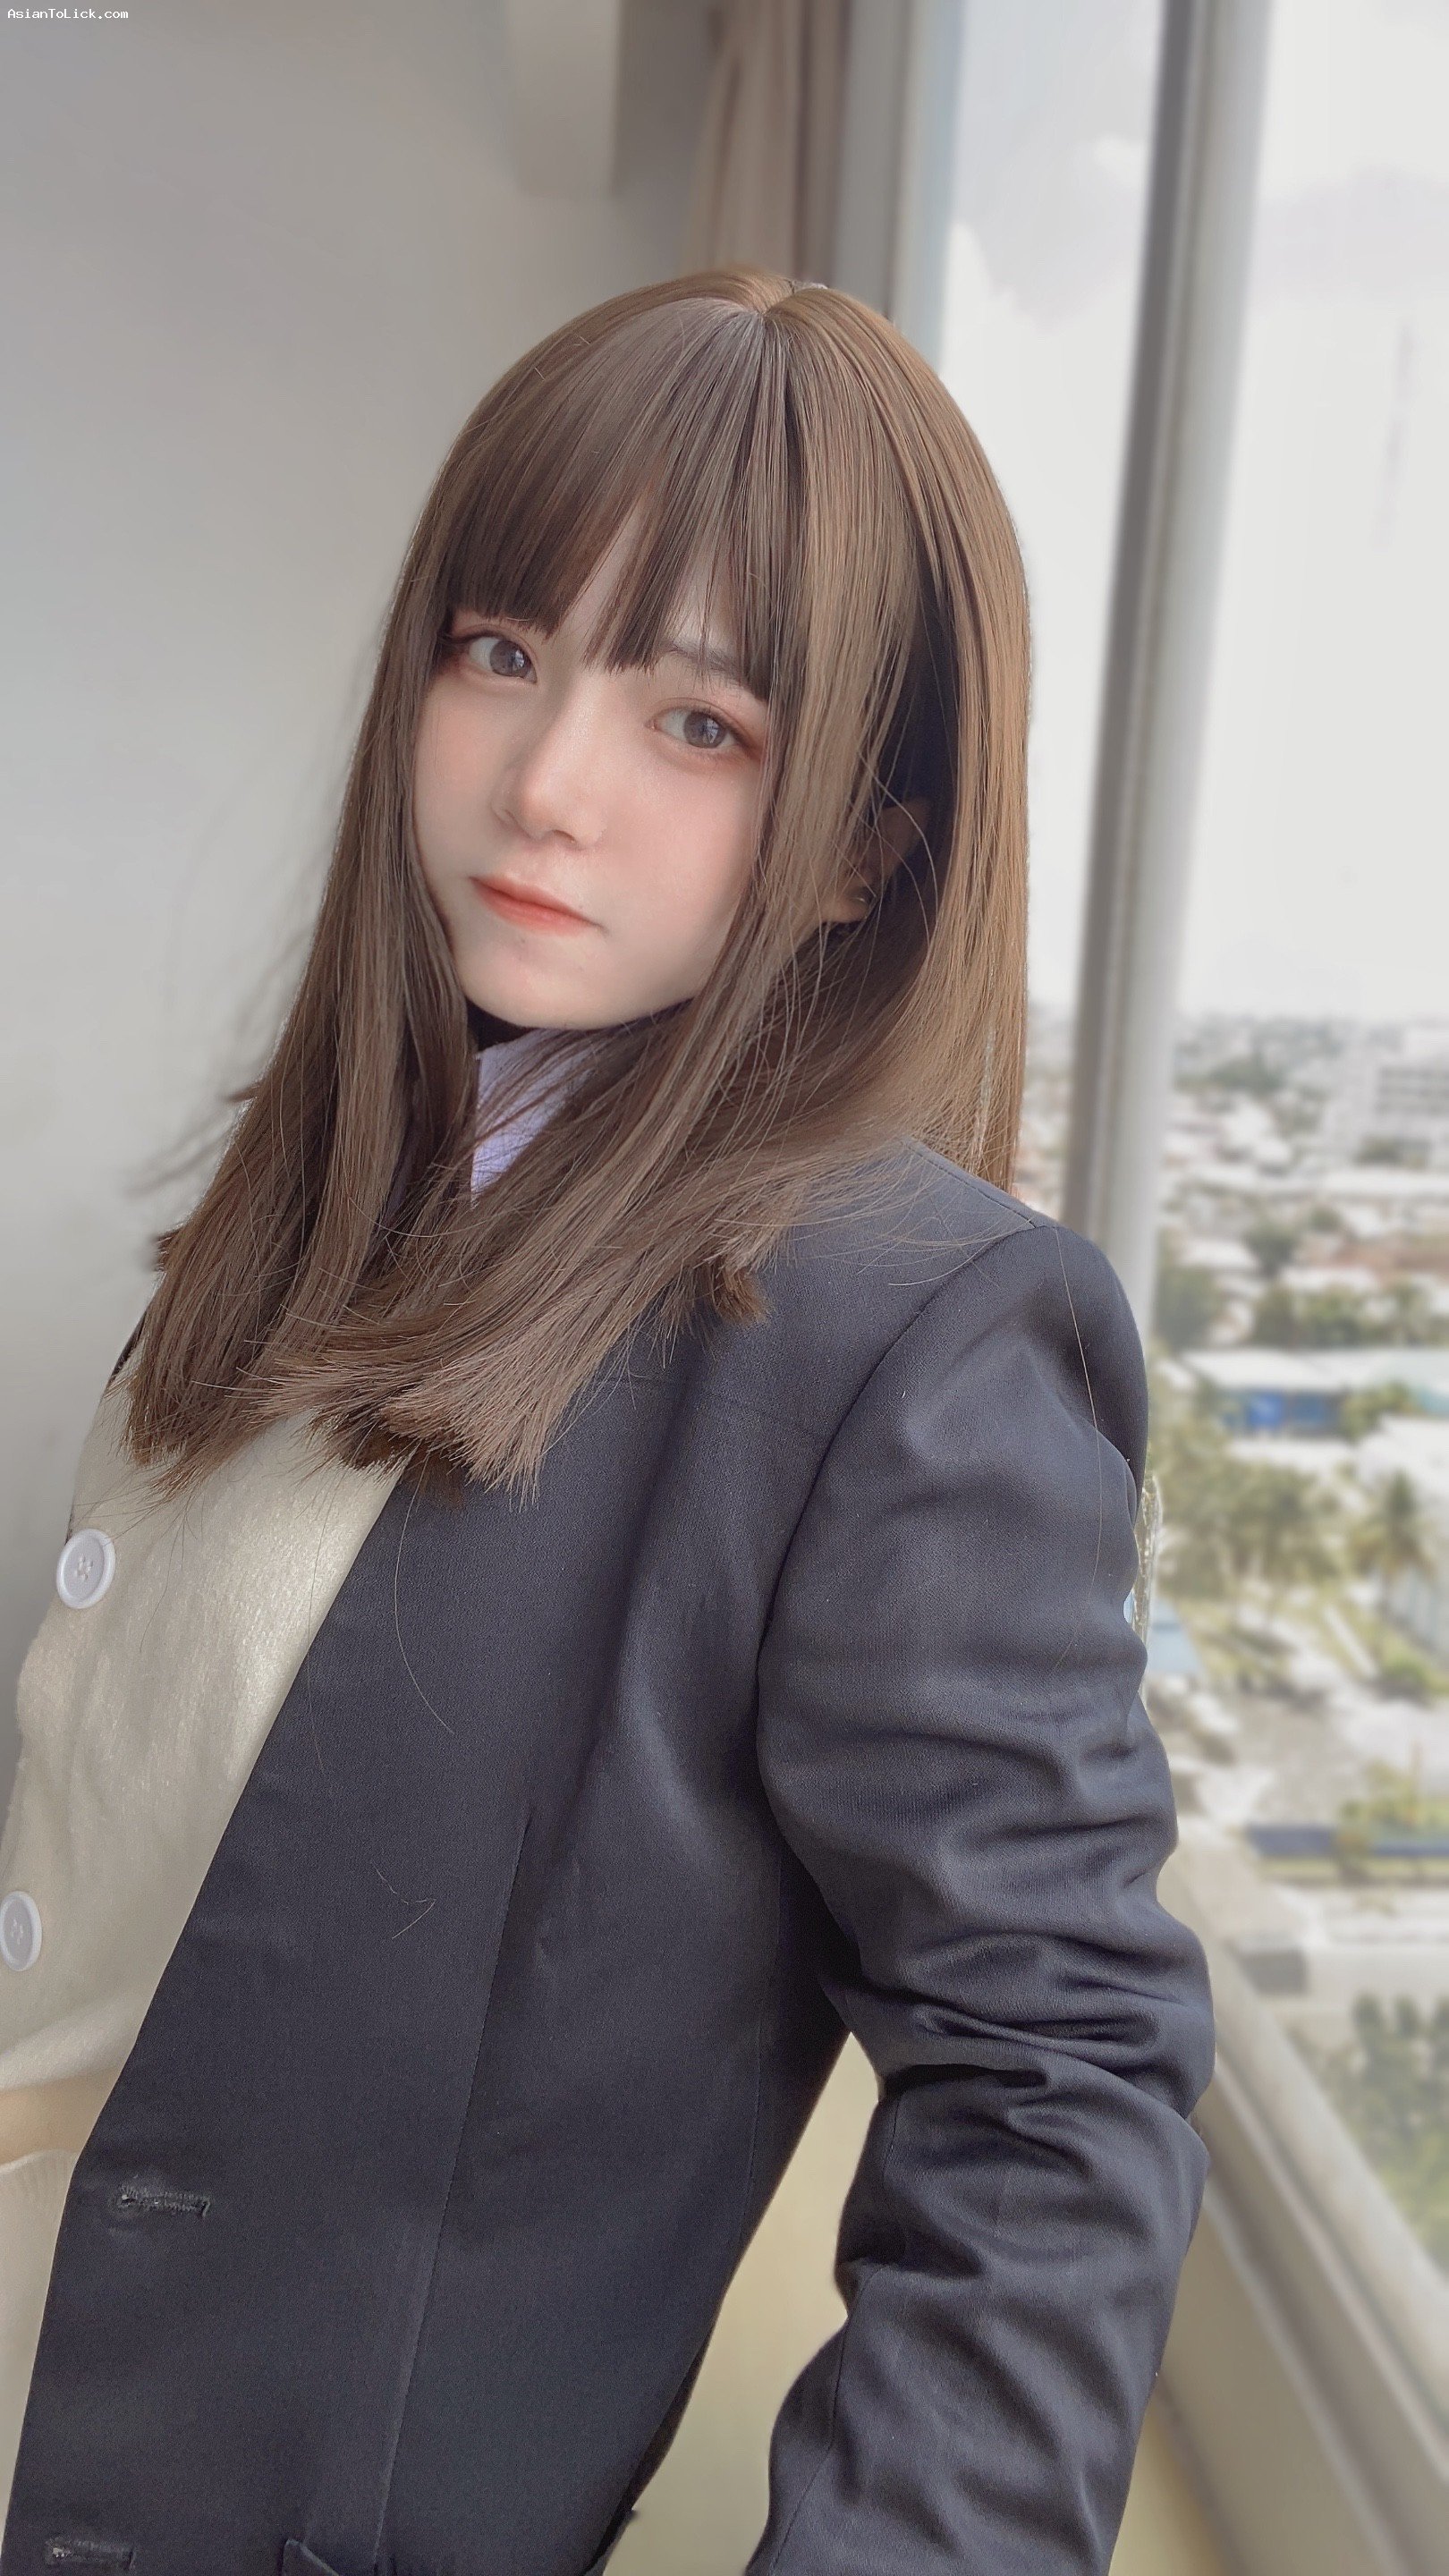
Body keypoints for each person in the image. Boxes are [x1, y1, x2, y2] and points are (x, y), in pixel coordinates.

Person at [0, 267, 1213, 2576]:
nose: (546, 783)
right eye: (504, 651)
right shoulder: (371, 1177)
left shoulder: (906, 1336)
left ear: (864, 844)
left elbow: (1054, 2093)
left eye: (700, 721)